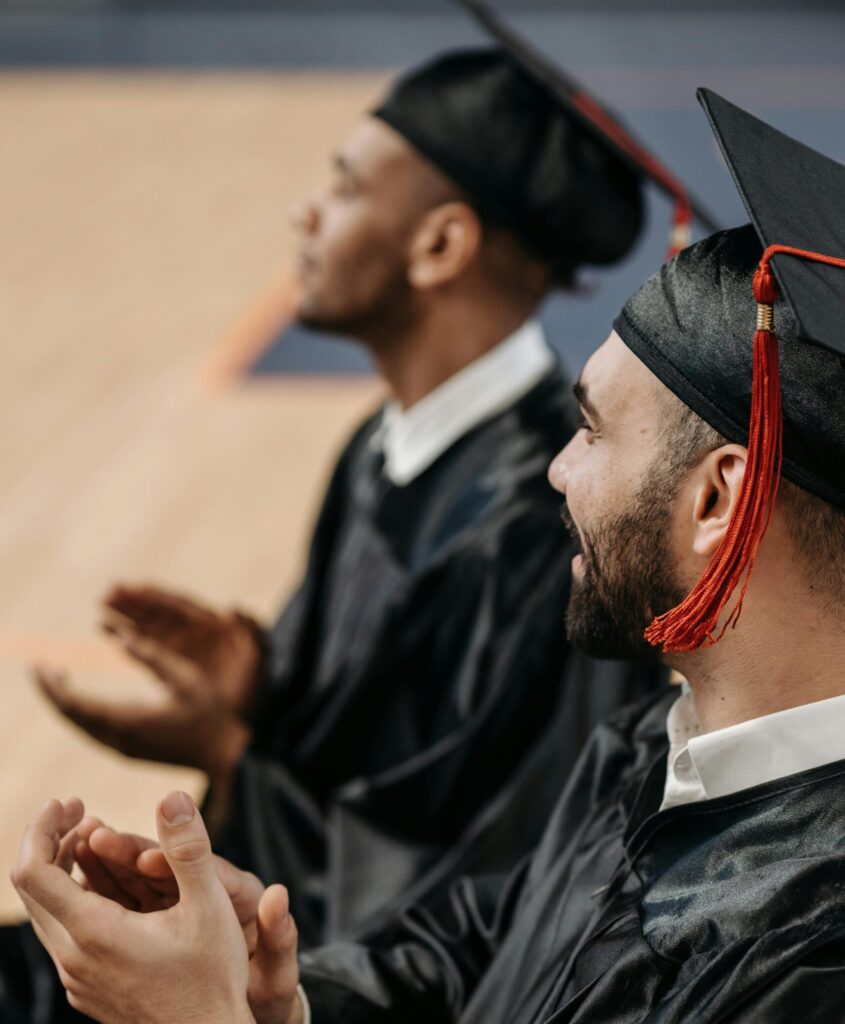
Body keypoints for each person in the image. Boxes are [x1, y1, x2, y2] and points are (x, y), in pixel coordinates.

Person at [13, 88, 845, 1024]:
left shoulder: (811, 959)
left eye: (591, 432)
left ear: (716, 499)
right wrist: (271, 985)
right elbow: (463, 953)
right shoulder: (656, 747)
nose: (555, 470)